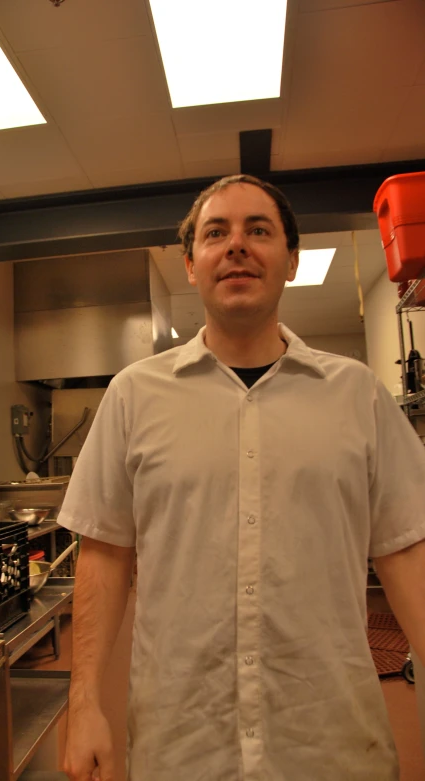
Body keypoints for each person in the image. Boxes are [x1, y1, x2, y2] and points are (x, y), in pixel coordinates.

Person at [59, 174, 425, 781]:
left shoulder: (357, 393)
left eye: (259, 230)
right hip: (183, 738)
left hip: (330, 737)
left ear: (291, 260)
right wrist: (84, 703)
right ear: (190, 264)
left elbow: (405, 549)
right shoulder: (133, 396)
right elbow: (103, 551)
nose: (236, 245)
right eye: (215, 233)